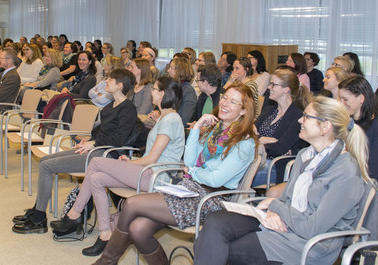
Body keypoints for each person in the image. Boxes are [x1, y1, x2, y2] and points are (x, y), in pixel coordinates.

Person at [92, 83, 258, 265]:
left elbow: (215, 179)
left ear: (243, 111)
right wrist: (196, 129)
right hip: (188, 188)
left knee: (131, 204)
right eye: (225, 97)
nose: (225, 103)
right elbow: (188, 162)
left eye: (233, 102)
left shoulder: (245, 142)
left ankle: (106, 262)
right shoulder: (214, 130)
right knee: (138, 229)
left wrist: (194, 172)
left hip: (211, 200)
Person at [193, 96, 370, 265]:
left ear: (325, 127)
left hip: (306, 244)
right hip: (285, 223)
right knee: (215, 222)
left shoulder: (346, 171)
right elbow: (287, 200)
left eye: (306, 117)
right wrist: (274, 211)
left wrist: (275, 205)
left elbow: (313, 227)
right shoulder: (305, 156)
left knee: (216, 246)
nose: (300, 121)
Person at [50, 76, 186, 256]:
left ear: (162, 94)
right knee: (96, 178)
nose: (151, 92)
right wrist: (131, 163)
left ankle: (75, 213)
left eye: (154, 89)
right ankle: (105, 233)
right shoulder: (164, 117)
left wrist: (131, 163)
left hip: (156, 176)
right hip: (146, 171)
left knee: (96, 161)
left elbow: (152, 158)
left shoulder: (171, 119)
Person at [12, 68, 138, 234]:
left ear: (120, 85)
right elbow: (101, 131)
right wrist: (89, 140)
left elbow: (119, 140)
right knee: (44, 161)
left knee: (46, 166)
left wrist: (94, 144)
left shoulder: (128, 109)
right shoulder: (111, 105)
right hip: (96, 148)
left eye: (110, 80)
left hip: (104, 155)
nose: (106, 81)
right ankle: (38, 209)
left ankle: (38, 218)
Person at [252, 68, 310, 186]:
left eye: (273, 85)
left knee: (238, 174)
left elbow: (280, 148)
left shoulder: (297, 116)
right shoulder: (270, 110)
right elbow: (250, 133)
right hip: (257, 159)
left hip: (275, 165)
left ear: (286, 90)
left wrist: (258, 140)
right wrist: (264, 140)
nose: (269, 87)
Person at [338, 75, 378, 179]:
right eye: (340, 99)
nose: (341, 103)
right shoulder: (343, 123)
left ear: (361, 98)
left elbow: (373, 170)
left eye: (345, 99)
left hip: (360, 181)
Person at [164, 57, 197, 127]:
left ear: (179, 71)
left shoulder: (189, 92)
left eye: (171, 68)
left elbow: (185, 120)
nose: (168, 70)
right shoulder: (169, 87)